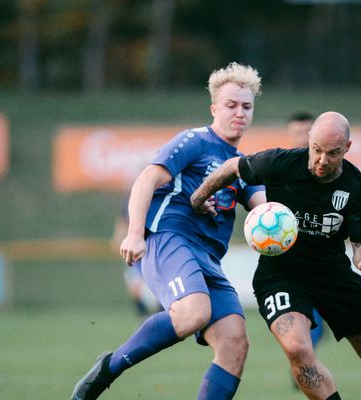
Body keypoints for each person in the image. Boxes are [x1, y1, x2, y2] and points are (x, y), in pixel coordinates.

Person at [71, 62, 266, 400]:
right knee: (193, 313)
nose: (240, 113)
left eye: (246, 107)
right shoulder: (195, 141)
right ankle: (109, 367)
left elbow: (265, 209)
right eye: (231, 105)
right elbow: (147, 179)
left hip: (208, 259)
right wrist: (134, 233)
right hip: (168, 239)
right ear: (214, 108)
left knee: (235, 344)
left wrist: (279, 220)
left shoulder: (245, 166)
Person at [191, 111, 361, 400]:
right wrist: (197, 199)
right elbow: (232, 166)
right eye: (317, 150)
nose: (322, 160)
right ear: (309, 140)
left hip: (332, 272)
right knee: (297, 348)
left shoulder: (357, 187)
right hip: (279, 274)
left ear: (347, 148)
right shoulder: (280, 163)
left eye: (333, 153)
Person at [286, 111, 328, 362]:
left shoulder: (330, 170)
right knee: (300, 318)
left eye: (306, 132)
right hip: (289, 260)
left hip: (321, 258)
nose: (301, 138)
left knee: (320, 324)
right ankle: (303, 361)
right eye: (296, 133)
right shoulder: (279, 168)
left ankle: (304, 359)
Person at [111, 198, 150, 316]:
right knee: (136, 292)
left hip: (153, 254)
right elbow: (119, 232)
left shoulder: (159, 197)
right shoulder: (131, 201)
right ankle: (143, 320)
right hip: (136, 258)